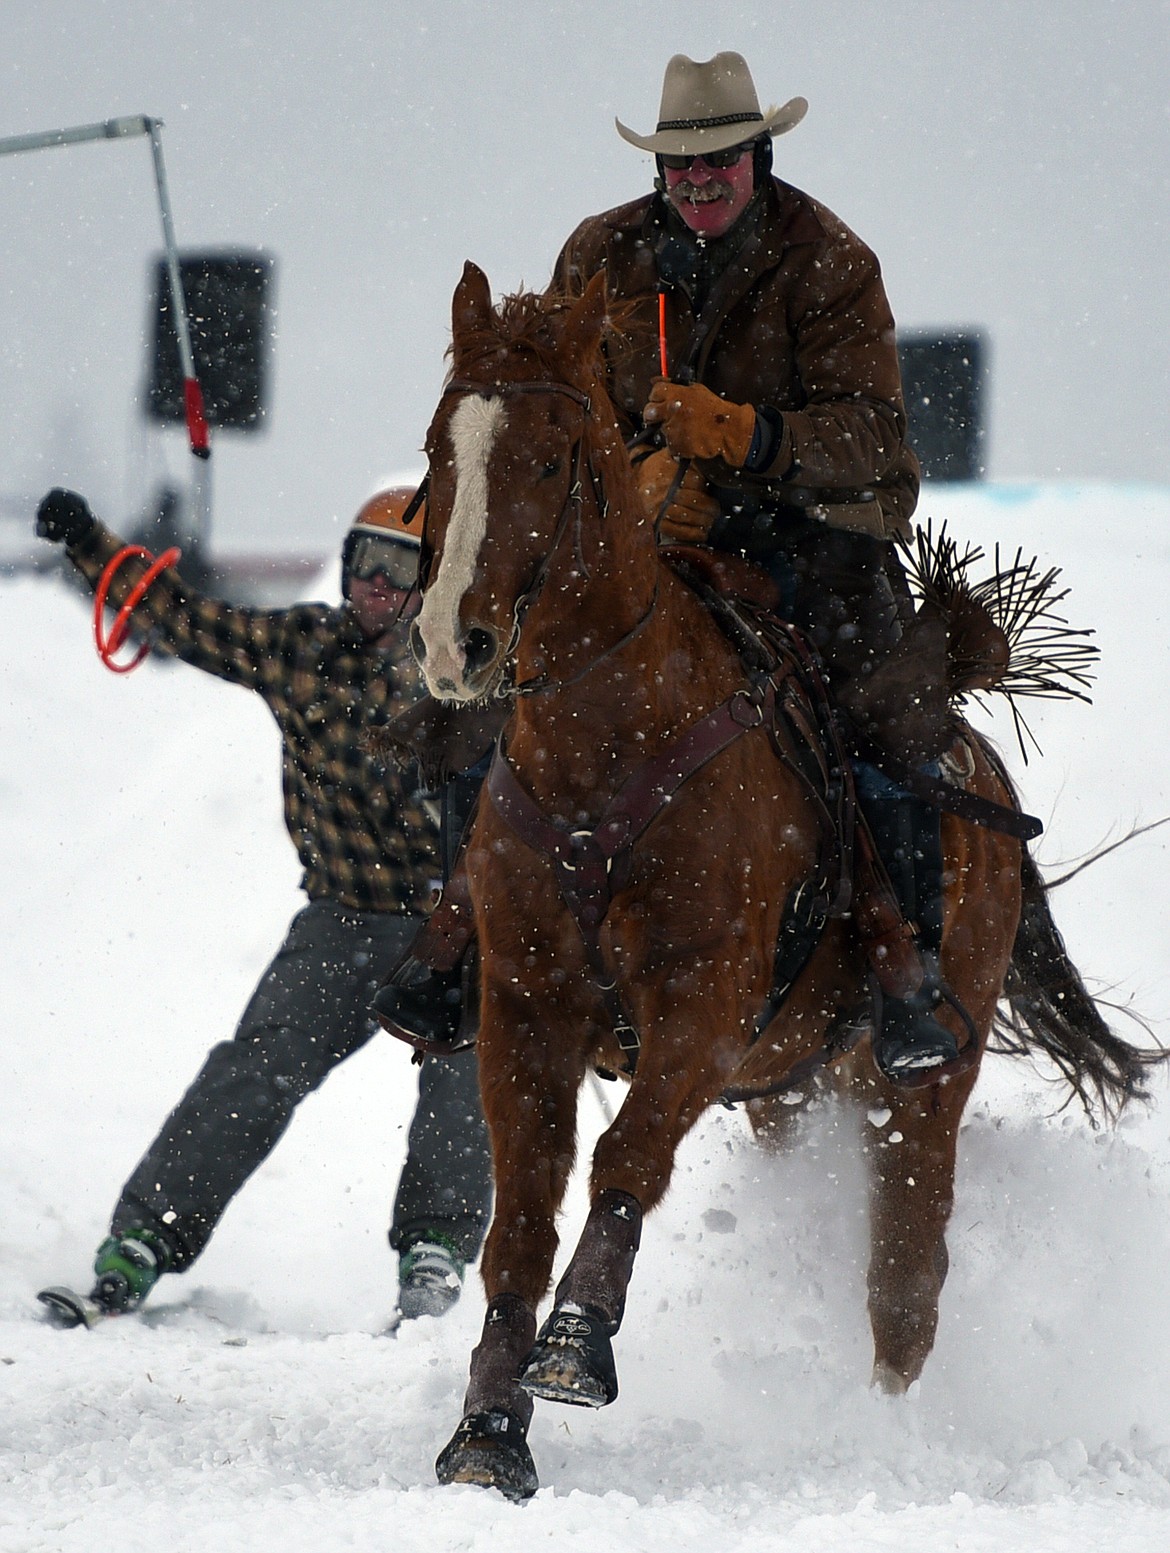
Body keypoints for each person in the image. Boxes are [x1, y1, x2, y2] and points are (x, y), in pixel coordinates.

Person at [544, 51, 963, 1082]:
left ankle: (907, 969)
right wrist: (640, 476)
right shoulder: (600, 254)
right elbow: (561, 408)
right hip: (652, 545)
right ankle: (470, 940)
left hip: (814, 546)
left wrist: (749, 438)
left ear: (757, 156)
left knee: (886, 732)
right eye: (679, 168)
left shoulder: (830, 259)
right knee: (502, 695)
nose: (697, 184)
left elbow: (873, 438)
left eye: (717, 164)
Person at [33, 484, 493, 1324]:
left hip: (454, 925)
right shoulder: (303, 649)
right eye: (360, 564)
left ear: (433, 582)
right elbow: (182, 617)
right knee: (260, 1064)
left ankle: (435, 1249)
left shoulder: (466, 672)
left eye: (395, 569)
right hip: (343, 917)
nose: (371, 587)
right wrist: (90, 542)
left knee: (466, 1068)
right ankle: (144, 1239)